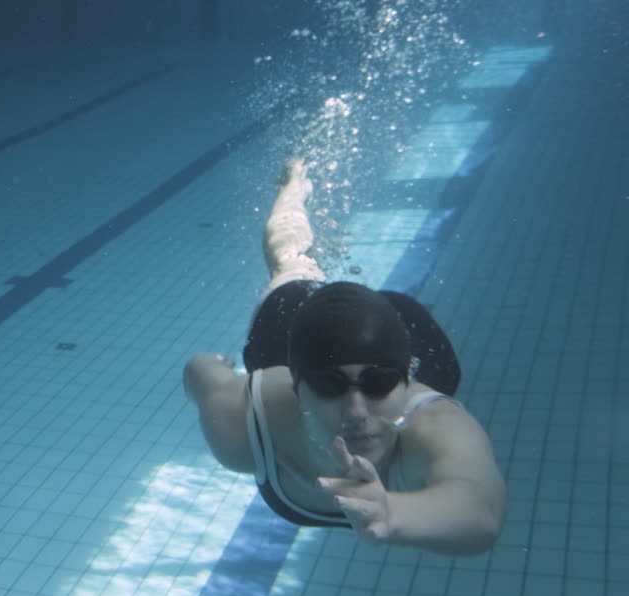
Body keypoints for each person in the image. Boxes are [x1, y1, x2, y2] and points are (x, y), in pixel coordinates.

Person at [183, 159, 505, 556]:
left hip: (407, 333)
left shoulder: (434, 423)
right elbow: (199, 372)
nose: (356, 410)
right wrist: (217, 365)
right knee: (289, 259)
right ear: (296, 389)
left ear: (406, 378)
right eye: (327, 386)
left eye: (379, 382)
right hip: (295, 330)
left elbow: (480, 511)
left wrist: (393, 512)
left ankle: (373, 354)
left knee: (421, 351)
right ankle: (294, 187)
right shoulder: (243, 421)